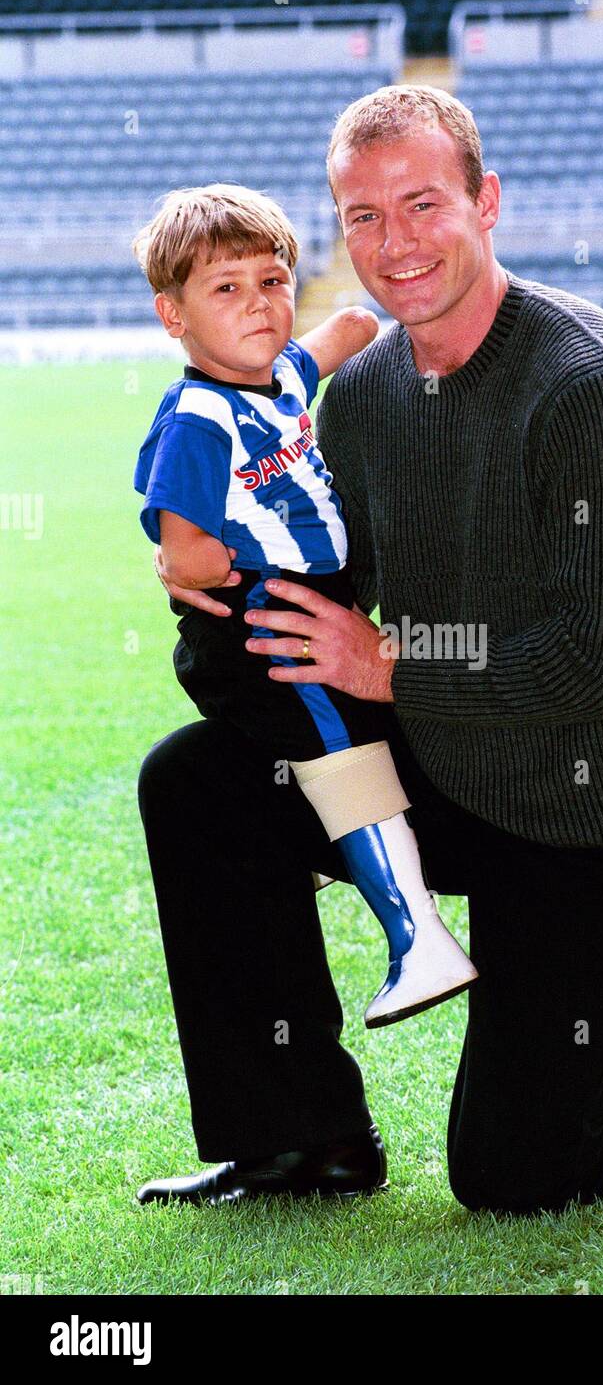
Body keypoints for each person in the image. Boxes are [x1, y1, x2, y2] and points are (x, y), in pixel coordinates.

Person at [135, 87, 603, 1212]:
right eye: (361, 217)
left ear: (485, 202)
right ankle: (296, 1142)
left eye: (421, 203)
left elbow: (595, 662)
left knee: (517, 1173)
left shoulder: (585, 386)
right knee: (197, 782)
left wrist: (384, 669)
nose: (394, 243)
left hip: (602, 808)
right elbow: (330, 586)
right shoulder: (364, 396)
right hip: (449, 764)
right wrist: (214, 572)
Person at [131, 183, 477, 1031]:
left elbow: (349, 330)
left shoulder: (278, 377)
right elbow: (185, 549)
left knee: (323, 756)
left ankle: (317, 847)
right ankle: (418, 936)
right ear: (173, 317)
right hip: (268, 617)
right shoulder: (199, 418)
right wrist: (214, 557)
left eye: (273, 281)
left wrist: (363, 325)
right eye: (226, 289)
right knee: (345, 763)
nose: (258, 304)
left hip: (302, 601)